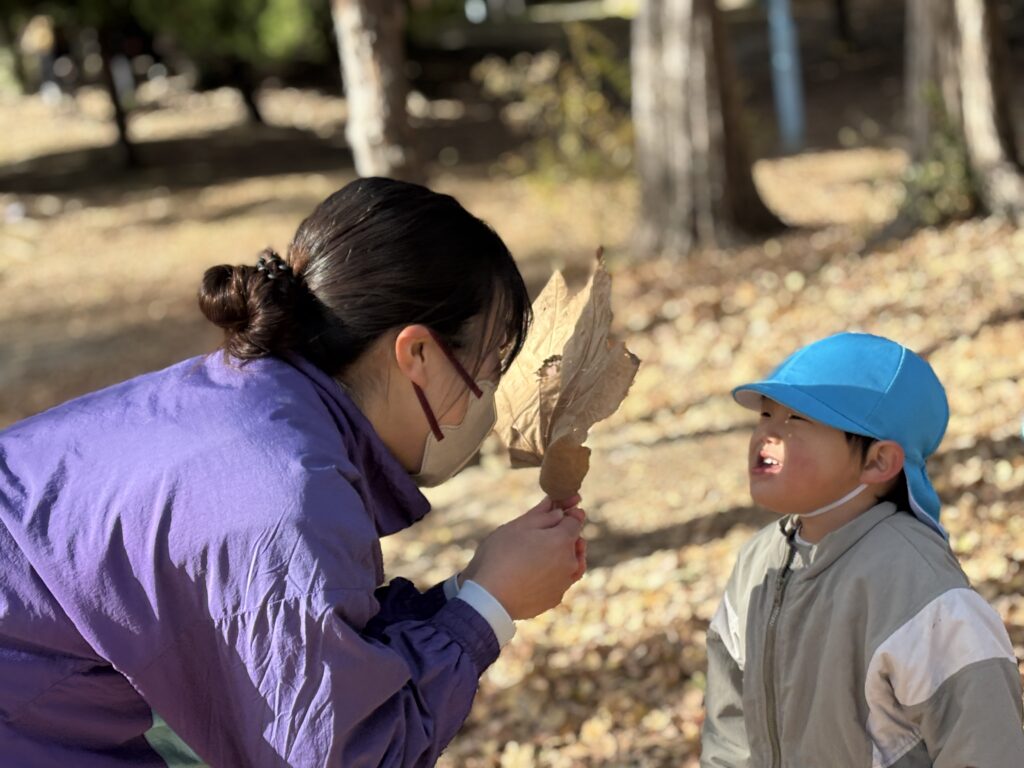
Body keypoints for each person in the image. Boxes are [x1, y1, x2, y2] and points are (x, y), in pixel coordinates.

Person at [0, 177, 586, 766]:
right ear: (418, 354)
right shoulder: (284, 492)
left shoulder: (245, 397)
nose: (485, 399)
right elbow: (341, 752)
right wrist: (486, 609)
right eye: (486, 369)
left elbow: (319, 656)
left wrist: (472, 591)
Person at [700, 332, 1024, 768]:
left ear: (878, 461)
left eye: (797, 418)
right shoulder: (756, 563)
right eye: (765, 413)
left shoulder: (920, 588)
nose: (767, 433)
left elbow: (985, 747)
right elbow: (730, 729)